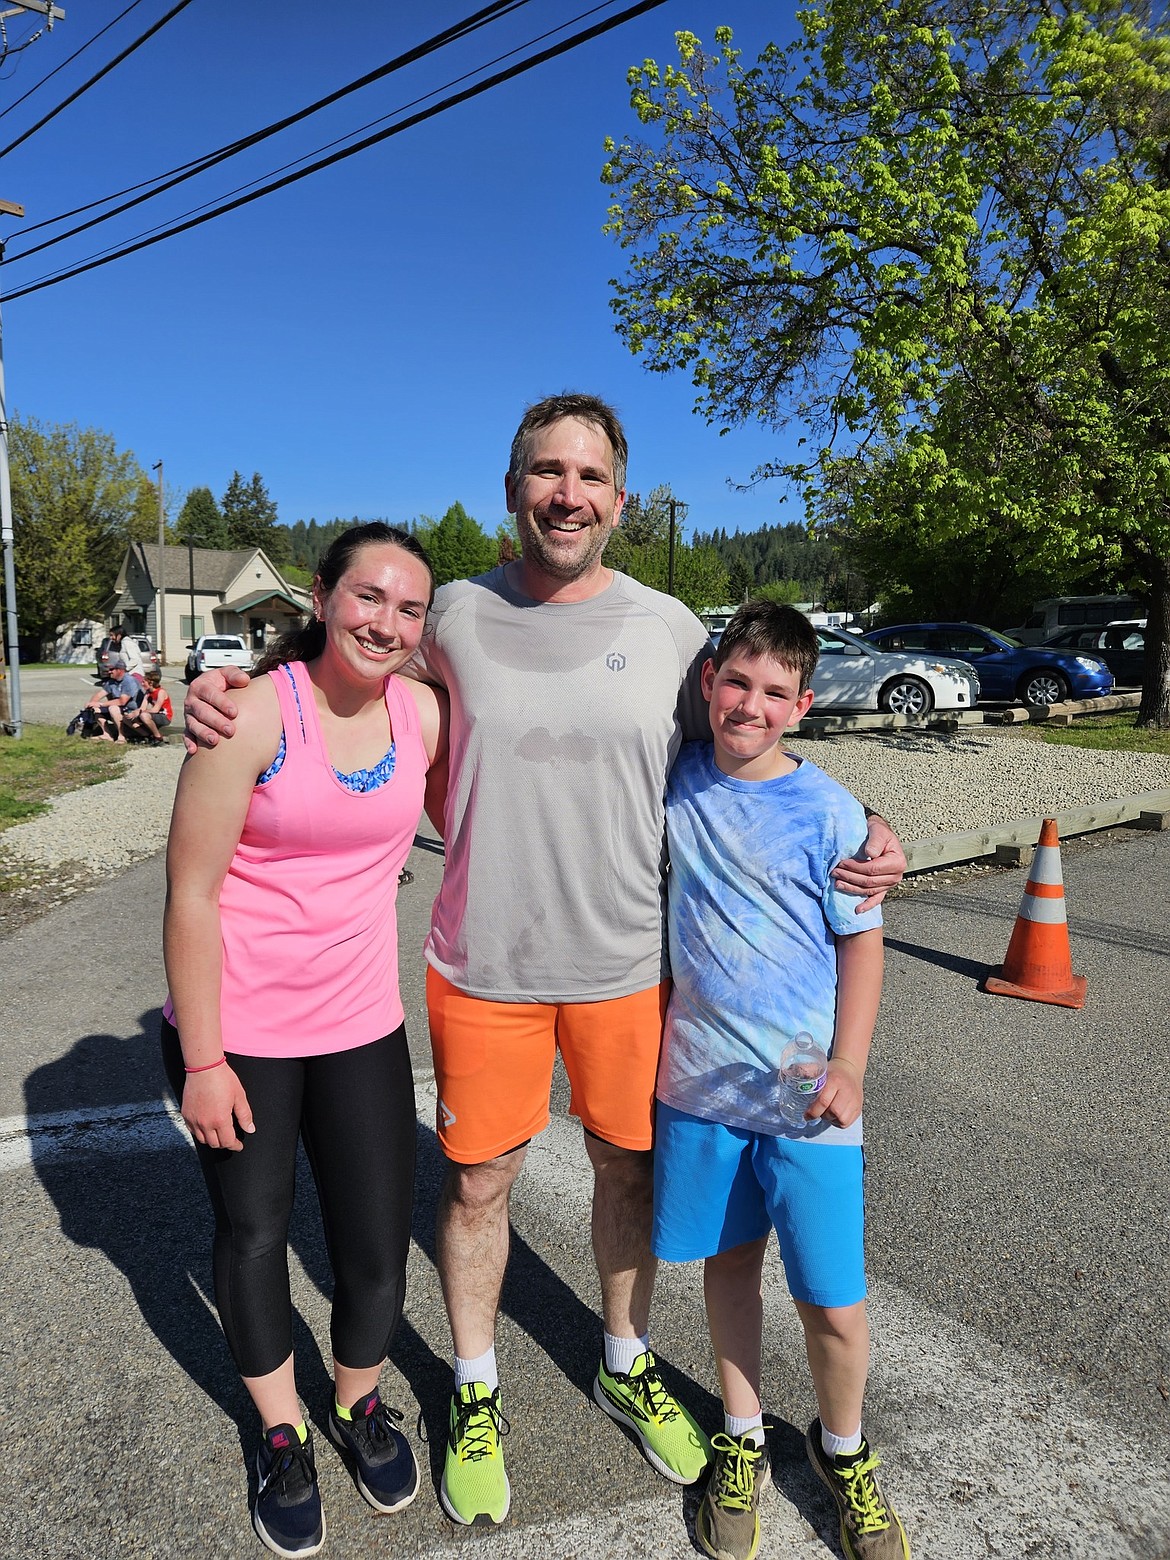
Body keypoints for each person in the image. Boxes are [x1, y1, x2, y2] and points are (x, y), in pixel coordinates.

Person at [183, 393, 907, 1528]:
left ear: (620, 497)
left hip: (629, 968)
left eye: (588, 476)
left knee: (626, 1174)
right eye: (544, 472)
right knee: (478, 1184)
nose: (567, 493)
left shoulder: (673, 628)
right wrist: (221, 688)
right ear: (511, 488)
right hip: (483, 966)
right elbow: (344, 661)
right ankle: (475, 1388)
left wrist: (869, 829)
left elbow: (756, 731)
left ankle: (622, 1358)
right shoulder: (455, 615)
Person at [164, 523, 448, 1558]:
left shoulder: (421, 713)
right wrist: (202, 1060)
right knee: (253, 1236)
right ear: (323, 597)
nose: (386, 622)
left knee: (375, 1247)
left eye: (410, 609)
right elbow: (190, 892)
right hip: (241, 1034)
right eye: (368, 597)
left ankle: (358, 1406)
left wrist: (850, 819)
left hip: (361, 1025)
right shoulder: (246, 713)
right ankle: (281, 1432)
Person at [654, 599, 909, 1560]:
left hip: (810, 1103)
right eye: (735, 682)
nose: (749, 705)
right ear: (710, 682)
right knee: (730, 1271)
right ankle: (744, 1436)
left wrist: (850, 1063)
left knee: (833, 1299)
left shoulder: (832, 811)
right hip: (700, 1090)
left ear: (803, 704)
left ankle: (844, 1453)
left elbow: (865, 947)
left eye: (774, 692)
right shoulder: (677, 779)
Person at [86, 657, 144, 742]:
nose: (109, 672)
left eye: (111, 670)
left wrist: (101, 704)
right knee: (96, 709)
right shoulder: (112, 681)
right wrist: (91, 703)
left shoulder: (129, 681)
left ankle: (122, 736)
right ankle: (107, 734)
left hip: (132, 710)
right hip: (120, 708)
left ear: (119, 670)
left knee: (112, 708)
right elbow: (99, 694)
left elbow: (122, 701)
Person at [126, 669, 173, 745]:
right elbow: (142, 707)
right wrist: (134, 713)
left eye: (144, 682)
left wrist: (140, 712)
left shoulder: (161, 692)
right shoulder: (148, 693)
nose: (142, 684)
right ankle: (145, 736)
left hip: (164, 716)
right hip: (154, 715)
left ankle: (157, 736)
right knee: (129, 718)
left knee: (143, 715)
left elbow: (155, 709)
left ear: (151, 683)